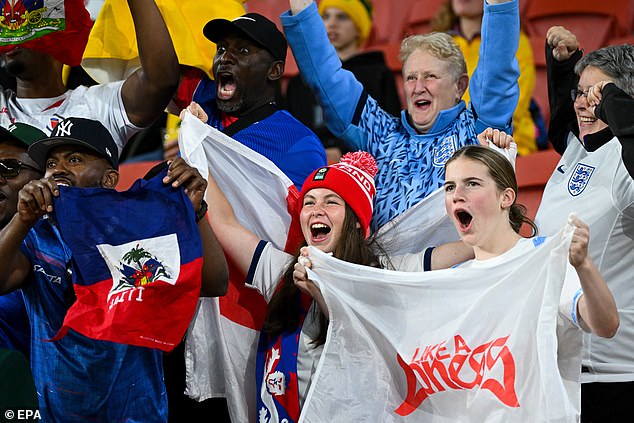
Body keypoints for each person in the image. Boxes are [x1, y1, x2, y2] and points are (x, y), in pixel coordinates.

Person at [294, 144, 619, 421]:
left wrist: (584, 266)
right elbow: (381, 356)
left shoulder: (542, 260)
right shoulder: (448, 285)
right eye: (450, 187)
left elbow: (605, 325)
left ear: (506, 196)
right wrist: (329, 292)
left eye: (471, 184)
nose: (456, 195)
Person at [0, 117, 228, 421]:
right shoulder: (38, 237)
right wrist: (22, 220)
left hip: (138, 415)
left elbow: (214, 283)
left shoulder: (139, 231)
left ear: (108, 179)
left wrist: (196, 209)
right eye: (51, 163)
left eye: (75, 159)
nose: (58, 169)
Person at [281, 0, 519, 231]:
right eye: (411, 78)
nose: (418, 87)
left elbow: (496, 71)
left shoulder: (476, 128)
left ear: (459, 86)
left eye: (430, 77)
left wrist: (500, 4)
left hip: (457, 266)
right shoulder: (381, 132)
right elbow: (326, 77)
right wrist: (301, 5)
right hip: (387, 268)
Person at [536, 26, 634, 422]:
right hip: (560, 371)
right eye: (582, 91)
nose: (583, 102)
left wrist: (613, 99)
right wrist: (564, 68)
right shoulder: (578, 147)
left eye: (598, 93)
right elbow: (564, 120)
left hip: (614, 378)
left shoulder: (627, 167)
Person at [0, 0, 179, 155]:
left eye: (31, 19)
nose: (14, 31)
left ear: (62, 35)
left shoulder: (98, 106)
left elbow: (160, 82)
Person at [171, 12, 326, 189]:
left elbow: (307, 212)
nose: (225, 58)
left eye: (243, 51)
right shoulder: (202, 100)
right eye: (221, 49)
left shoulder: (297, 143)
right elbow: (159, 77)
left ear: (274, 70)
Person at [284, 0, 401, 163]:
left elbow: (390, 134)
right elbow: (290, 135)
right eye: (325, 16)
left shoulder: (379, 74)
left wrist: (343, 152)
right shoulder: (298, 83)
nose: (332, 24)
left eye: (342, 17)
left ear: (359, 27)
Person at [431, 0, 538, 155]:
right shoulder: (437, 44)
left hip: (508, 144)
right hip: (449, 148)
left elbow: (508, 104)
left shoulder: (515, 42)